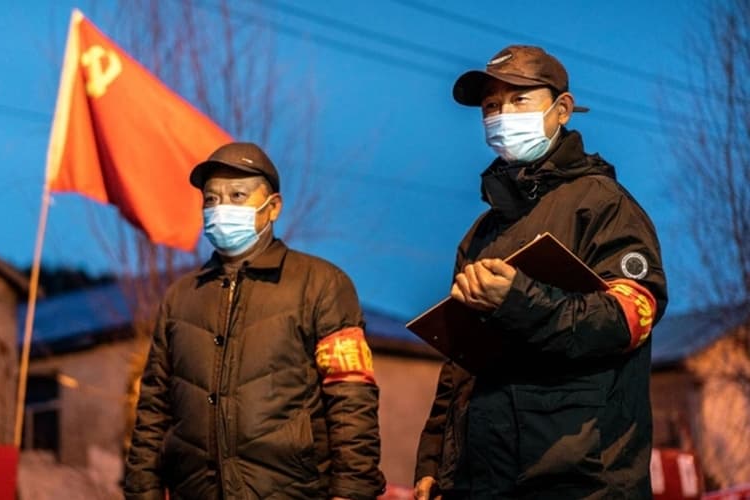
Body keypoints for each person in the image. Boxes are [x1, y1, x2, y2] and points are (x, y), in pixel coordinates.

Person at [414, 45, 669, 499]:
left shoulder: (603, 204)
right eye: (491, 105)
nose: (501, 114)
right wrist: (435, 461)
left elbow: (629, 320)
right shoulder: (481, 234)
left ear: (562, 109)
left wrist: (518, 300)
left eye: (519, 99)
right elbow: (459, 364)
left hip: (583, 478)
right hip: (485, 481)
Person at [124, 142, 385, 500]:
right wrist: (142, 491)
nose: (221, 208)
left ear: (273, 207)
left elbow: (351, 397)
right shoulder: (180, 298)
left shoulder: (321, 284)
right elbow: (154, 410)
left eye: (237, 195)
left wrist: (353, 491)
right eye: (211, 199)